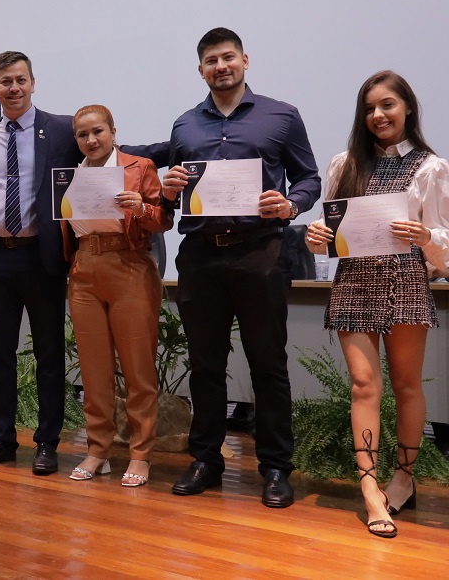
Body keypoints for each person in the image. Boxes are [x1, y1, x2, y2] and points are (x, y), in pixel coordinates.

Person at [161, 28, 320, 507]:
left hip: (260, 252)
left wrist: (290, 204)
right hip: (201, 256)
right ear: (201, 69)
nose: (220, 66)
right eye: (211, 60)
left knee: (268, 364)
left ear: (245, 60)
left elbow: (309, 178)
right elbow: (173, 193)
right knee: (206, 365)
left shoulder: (281, 116)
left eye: (228, 57)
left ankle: (275, 468)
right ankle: (206, 460)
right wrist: (168, 188)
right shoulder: (185, 125)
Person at [306, 70, 449, 537]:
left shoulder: (431, 167)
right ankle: (370, 489)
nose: (378, 115)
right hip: (354, 283)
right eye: (369, 108)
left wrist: (427, 235)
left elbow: (444, 238)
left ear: (407, 108)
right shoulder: (344, 163)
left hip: (407, 278)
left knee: (407, 385)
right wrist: (316, 237)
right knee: (364, 385)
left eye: (387, 105)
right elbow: (330, 234)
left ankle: (404, 476)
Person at [0, 51, 83, 474]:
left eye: (20, 80)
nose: (13, 88)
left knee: (49, 354)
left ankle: (47, 442)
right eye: (5, 82)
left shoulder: (61, 130)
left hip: (43, 258)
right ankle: (2, 438)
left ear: (33, 83)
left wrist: (170, 153)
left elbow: (106, 150)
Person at [62, 105, 171, 485]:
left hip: (129, 267)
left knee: (138, 368)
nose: (91, 140)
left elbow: (163, 219)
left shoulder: (138, 167)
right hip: (83, 268)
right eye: (82, 134)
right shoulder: (70, 176)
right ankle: (98, 450)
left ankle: (140, 454)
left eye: (98, 132)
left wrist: (141, 209)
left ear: (113, 131)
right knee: (93, 370)